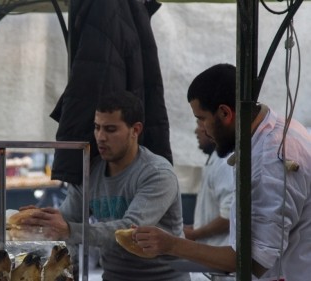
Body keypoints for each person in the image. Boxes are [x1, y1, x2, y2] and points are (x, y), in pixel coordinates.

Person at [133, 63, 311, 280]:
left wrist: (170, 244)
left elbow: (253, 261)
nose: (202, 128)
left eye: (201, 118)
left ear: (225, 113)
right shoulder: (272, 129)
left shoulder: (269, 162)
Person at [22, 91, 189, 281]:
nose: (100, 137)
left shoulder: (157, 174)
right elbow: (68, 217)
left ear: (135, 130)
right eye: (97, 127)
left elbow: (130, 231)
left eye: (110, 129)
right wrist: (40, 219)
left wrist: (69, 229)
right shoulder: (90, 171)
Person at [186, 119, 235, 281]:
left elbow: (229, 218)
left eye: (200, 122)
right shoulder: (214, 161)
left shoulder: (224, 163)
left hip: (226, 266)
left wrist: (194, 234)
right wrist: (193, 228)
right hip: (214, 267)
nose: (196, 131)